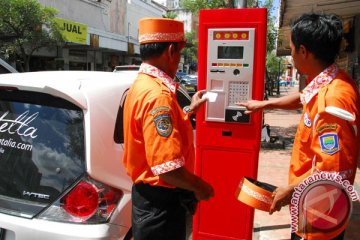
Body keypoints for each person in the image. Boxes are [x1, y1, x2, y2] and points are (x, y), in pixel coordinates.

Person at [237, 13, 360, 240]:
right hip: (318, 200)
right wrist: (263, 104)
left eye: (292, 49)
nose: (291, 55)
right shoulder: (333, 79)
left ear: (304, 51)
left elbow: (330, 170)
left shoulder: (331, 101)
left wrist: (288, 191)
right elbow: (303, 97)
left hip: (319, 208)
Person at [122, 18, 214, 240]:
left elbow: (160, 130)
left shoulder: (142, 85)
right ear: (171, 51)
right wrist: (201, 187)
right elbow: (167, 168)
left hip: (150, 201)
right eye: (180, 53)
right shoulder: (158, 95)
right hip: (161, 205)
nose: (179, 59)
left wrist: (189, 111)